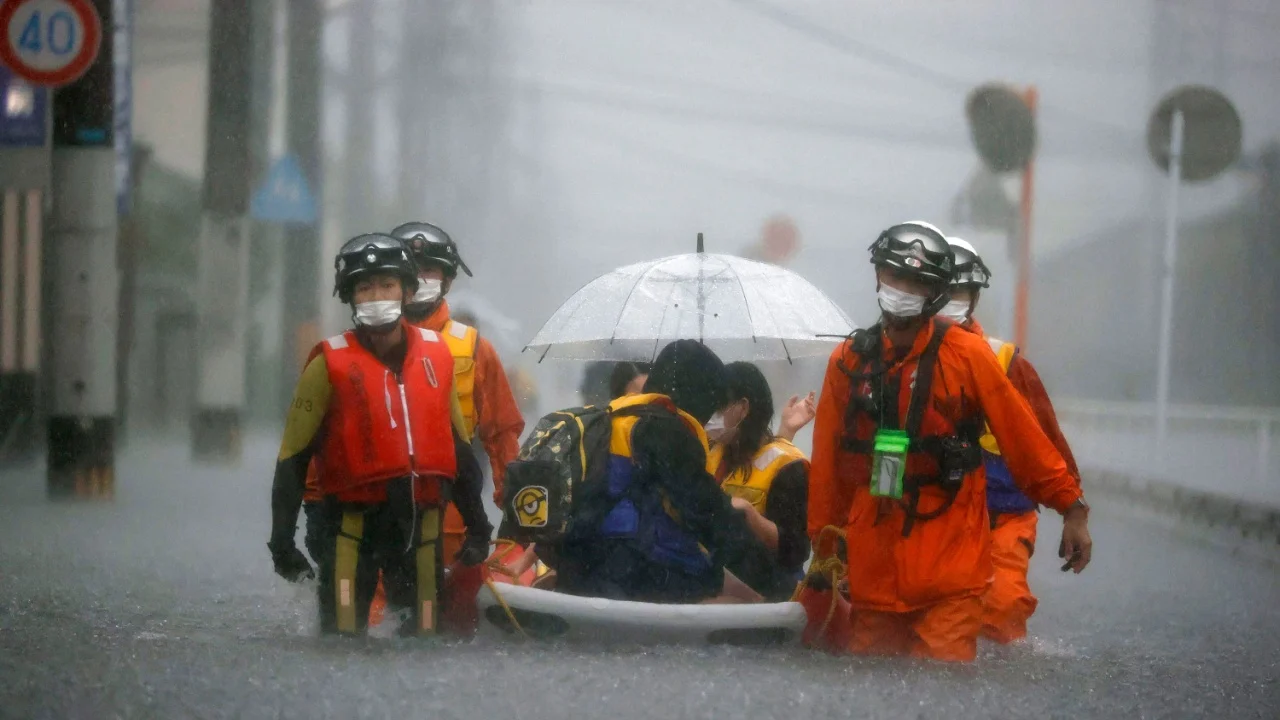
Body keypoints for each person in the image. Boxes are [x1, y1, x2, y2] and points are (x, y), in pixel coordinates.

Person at [808, 221, 1093, 662]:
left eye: (916, 281)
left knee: (944, 690)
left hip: (950, 563)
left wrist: (1071, 507)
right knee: (869, 686)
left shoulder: (969, 355)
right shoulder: (848, 362)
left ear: (934, 293)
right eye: (894, 275)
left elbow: (1025, 441)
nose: (901, 288)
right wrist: (825, 550)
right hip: (874, 566)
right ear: (878, 276)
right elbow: (828, 463)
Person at [267, 233, 493, 636]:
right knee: (343, 640)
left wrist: (478, 525)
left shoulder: (438, 355)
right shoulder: (328, 363)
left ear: (407, 291)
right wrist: (282, 542)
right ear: (350, 297)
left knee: (425, 640)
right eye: (364, 287)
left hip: (421, 530)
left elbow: (459, 449)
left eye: (386, 285)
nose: (376, 296)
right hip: (352, 530)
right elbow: (292, 458)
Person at [940, 236, 1083, 644]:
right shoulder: (895, 358)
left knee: (1001, 608)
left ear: (973, 298)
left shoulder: (1005, 361)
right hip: (931, 519)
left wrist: (1073, 511)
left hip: (1003, 517)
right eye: (941, 290)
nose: (948, 299)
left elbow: (1047, 442)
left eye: (958, 290)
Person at [557, 340, 771, 604]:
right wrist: (761, 566)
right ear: (698, 393)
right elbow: (707, 514)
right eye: (712, 403)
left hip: (579, 560)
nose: (709, 416)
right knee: (743, 600)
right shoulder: (668, 431)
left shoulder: (615, 415)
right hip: (631, 568)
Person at [390, 221, 525, 563]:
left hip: (454, 521)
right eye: (410, 269)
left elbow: (502, 434)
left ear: (447, 280)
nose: (419, 277)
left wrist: (511, 511)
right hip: (377, 516)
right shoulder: (360, 347)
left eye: (429, 270)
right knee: (370, 613)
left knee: (454, 613)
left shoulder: (475, 348)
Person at [707, 361, 817, 599]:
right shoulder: (711, 451)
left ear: (743, 408)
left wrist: (749, 515)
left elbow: (796, 550)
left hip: (768, 591)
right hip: (717, 580)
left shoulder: (788, 466)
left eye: (718, 405)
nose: (710, 414)